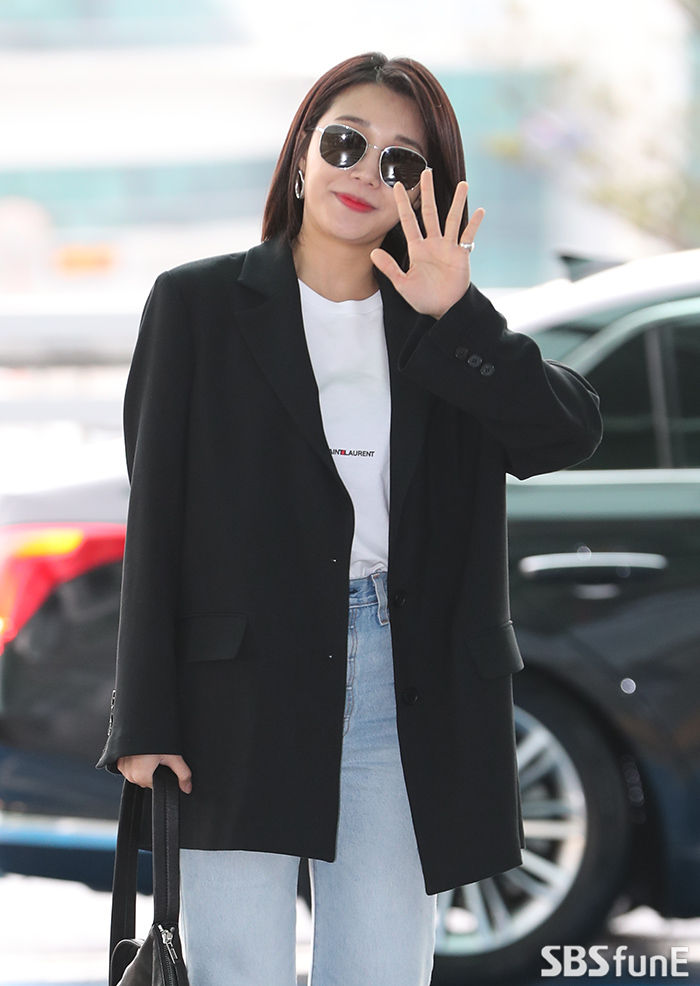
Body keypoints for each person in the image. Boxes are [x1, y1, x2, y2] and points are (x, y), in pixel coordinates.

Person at [97, 51, 602, 986]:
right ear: (301, 158)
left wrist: (459, 316)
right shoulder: (197, 306)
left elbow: (564, 434)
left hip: (406, 692)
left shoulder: (438, 325)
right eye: (346, 142)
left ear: (427, 191)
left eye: (401, 162)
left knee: (379, 970)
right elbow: (154, 517)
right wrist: (145, 715)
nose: (367, 172)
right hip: (235, 693)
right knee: (232, 970)